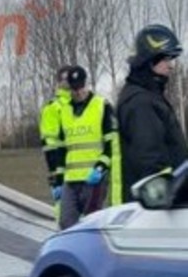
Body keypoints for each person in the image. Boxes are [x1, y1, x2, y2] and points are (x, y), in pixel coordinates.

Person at [117, 24, 188, 202]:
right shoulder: (140, 103)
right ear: (149, 61)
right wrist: (167, 195)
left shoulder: (150, 97)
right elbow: (150, 161)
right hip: (159, 207)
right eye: (166, 59)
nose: (171, 66)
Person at [58, 66, 118, 230]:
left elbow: (111, 142)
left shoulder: (102, 106)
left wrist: (101, 167)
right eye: (74, 88)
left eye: (81, 87)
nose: (78, 92)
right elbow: (63, 147)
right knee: (66, 223)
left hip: (94, 179)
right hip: (71, 180)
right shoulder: (64, 111)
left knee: (92, 225)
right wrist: (58, 179)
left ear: (86, 84)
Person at [39, 66, 72, 217]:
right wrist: (55, 174)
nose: (68, 82)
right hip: (61, 167)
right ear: (58, 82)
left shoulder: (83, 103)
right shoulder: (53, 107)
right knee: (64, 210)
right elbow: (50, 144)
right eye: (64, 79)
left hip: (82, 167)